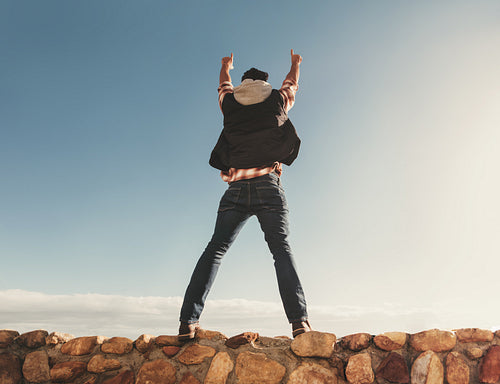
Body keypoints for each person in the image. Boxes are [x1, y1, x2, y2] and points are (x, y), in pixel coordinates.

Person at [178, 50, 311, 341]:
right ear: (265, 82)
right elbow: (291, 84)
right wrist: (295, 63)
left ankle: (187, 322)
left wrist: (225, 66)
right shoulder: (277, 99)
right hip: (267, 183)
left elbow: (223, 85)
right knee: (281, 250)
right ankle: (299, 322)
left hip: (236, 188)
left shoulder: (230, 103)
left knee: (215, 250)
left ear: (243, 83)